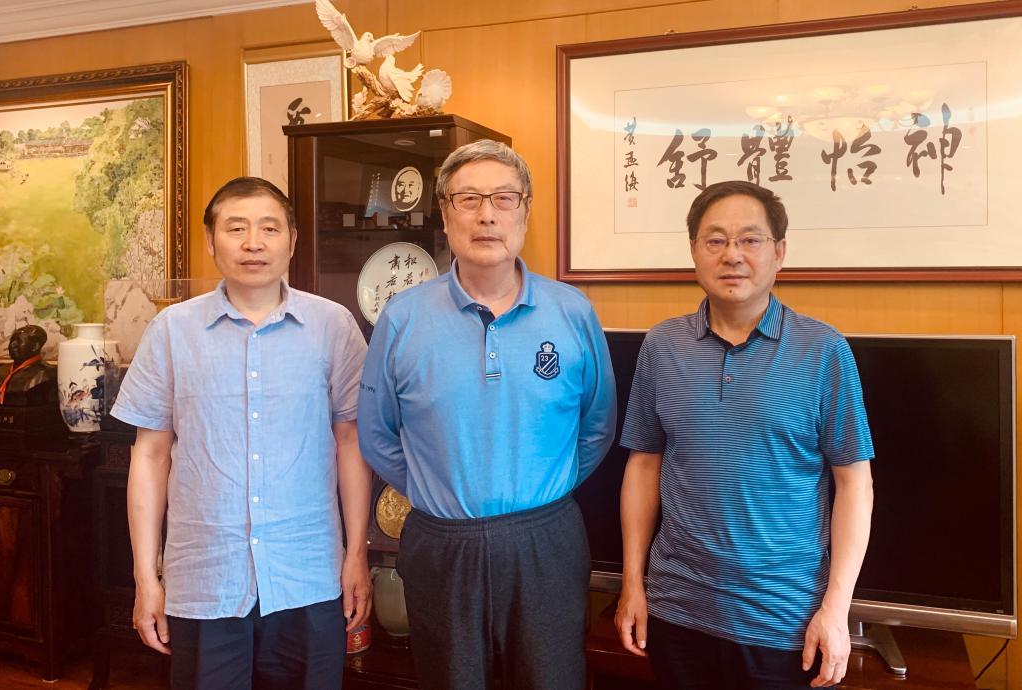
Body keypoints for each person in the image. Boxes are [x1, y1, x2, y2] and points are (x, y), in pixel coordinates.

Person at [357, 139, 617, 690]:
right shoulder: (403, 317)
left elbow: (597, 425)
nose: (487, 214)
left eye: (503, 198)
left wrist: (546, 487)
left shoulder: (572, 311)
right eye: (468, 199)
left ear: (525, 210)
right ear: (446, 214)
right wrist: (431, 489)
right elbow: (377, 433)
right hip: (440, 541)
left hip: (547, 538)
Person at [112, 177, 373, 690]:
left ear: (291, 242)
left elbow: (351, 442)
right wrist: (146, 577)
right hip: (205, 577)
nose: (253, 243)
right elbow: (150, 455)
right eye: (236, 228)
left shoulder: (332, 326)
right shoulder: (171, 330)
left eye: (269, 229)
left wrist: (357, 554)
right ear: (211, 242)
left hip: (308, 573)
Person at [614, 180, 874, 690]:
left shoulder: (822, 350)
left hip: (784, 621)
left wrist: (837, 608)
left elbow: (855, 484)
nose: (732, 254)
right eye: (715, 240)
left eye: (750, 240)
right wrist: (632, 584)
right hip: (674, 610)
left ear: (779, 252)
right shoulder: (662, 346)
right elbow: (643, 465)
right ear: (694, 251)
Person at [0, 324, 56, 406]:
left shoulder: (46, 373)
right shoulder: (1, 371)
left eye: (19, 341)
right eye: (12, 340)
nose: (12, 345)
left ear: (35, 346)